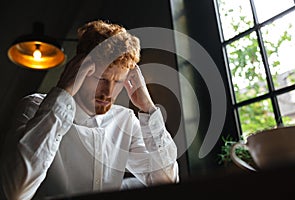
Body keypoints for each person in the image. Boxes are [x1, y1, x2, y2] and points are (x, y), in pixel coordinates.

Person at [0, 20, 179, 200]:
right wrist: (63, 92)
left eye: (117, 81)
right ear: (79, 68)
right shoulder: (33, 108)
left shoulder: (126, 121)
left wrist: (148, 107)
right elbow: (15, 192)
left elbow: (166, 184)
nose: (107, 93)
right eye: (100, 78)